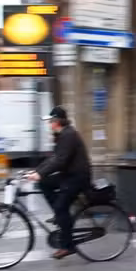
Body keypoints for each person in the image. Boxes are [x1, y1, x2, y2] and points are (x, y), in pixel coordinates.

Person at [27, 106, 92, 259]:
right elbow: (53, 158)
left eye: (51, 121)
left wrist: (40, 173)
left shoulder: (68, 135)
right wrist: (37, 171)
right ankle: (60, 215)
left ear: (57, 121)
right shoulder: (62, 134)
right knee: (43, 183)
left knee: (61, 206)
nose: (49, 124)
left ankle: (68, 246)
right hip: (69, 175)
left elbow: (60, 161)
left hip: (78, 177)